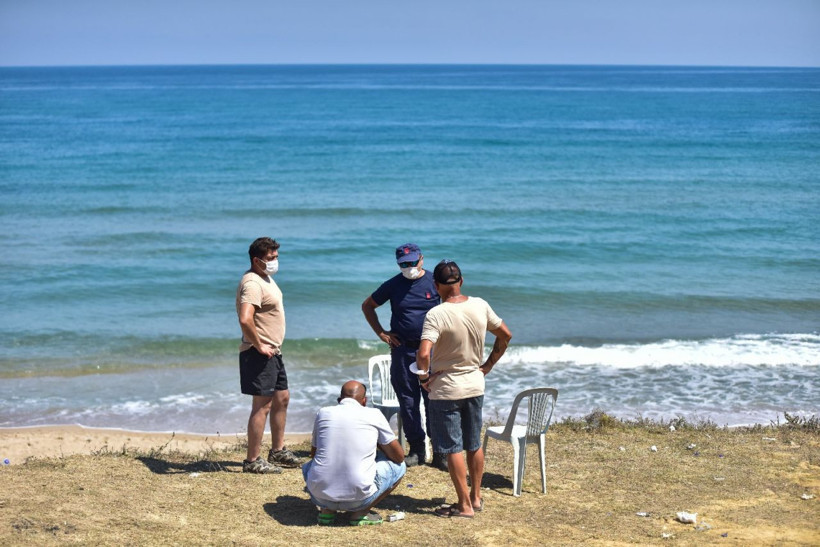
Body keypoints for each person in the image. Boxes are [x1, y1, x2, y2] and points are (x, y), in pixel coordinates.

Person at [417, 260, 512, 518]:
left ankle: (464, 505)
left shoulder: (436, 314)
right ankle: (476, 497)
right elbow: (505, 335)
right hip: (474, 384)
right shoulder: (480, 305)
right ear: (461, 281)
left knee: (453, 448)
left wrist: (423, 378)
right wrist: (487, 366)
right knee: (473, 443)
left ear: (436, 286)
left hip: (447, 388)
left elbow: (423, 354)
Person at [361, 243, 446, 470]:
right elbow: (368, 306)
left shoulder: (435, 281)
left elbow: (451, 309)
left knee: (434, 400)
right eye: (404, 264)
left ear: (422, 259)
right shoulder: (393, 285)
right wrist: (381, 333)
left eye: (412, 262)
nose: (409, 267)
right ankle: (417, 450)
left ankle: (440, 451)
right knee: (408, 402)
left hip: (432, 351)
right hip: (403, 351)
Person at [236, 237, 302, 473]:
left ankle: (277, 450)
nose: (275, 261)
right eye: (271, 258)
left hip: (273, 352)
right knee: (262, 406)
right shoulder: (252, 283)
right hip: (259, 353)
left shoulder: (265, 278)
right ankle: (252, 461)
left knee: (282, 398)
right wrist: (259, 345)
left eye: (276, 256)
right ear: (257, 260)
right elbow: (245, 318)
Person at [302, 380, 406, 526]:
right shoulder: (373, 414)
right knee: (400, 467)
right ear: (364, 401)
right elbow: (399, 456)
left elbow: (314, 454)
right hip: (358, 500)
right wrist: (378, 443)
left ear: (339, 400)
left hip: (320, 497)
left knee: (309, 466)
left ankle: (327, 511)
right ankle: (361, 513)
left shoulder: (323, 412)